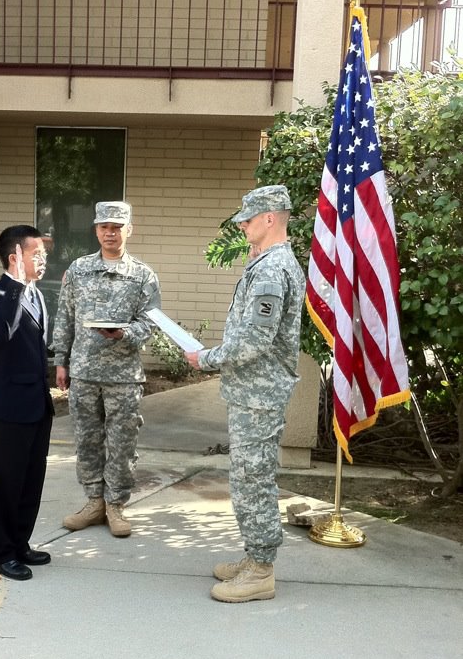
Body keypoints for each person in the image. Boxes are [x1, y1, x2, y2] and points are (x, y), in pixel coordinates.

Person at [185, 184, 305, 603]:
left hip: (260, 393)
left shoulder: (273, 269)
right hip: (253, 391)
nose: (242, 224)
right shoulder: (268, 263)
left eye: (249, 218)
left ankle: (261, 570)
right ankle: (255, 556)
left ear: (270, 218)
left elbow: (255, 339)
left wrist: (206, 358)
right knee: (249, 476)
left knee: (253, 479)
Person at [53, 201, 161, 538]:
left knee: (122, 442)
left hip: (124, 376)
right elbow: (65, 316)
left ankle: (116, 504)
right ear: (96, 230)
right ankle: (93, 501)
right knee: (86, 440)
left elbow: (151, 321)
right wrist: (61, 361)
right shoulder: (79, 269)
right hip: (84, 370)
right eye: (104, 227)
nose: (110, 233)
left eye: (117, 227)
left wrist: (125, 333)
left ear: (129, 229)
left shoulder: (143, 274)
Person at [0, 226, 54, 581]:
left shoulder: (36, 295)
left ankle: (19, 542)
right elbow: (2, 333)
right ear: (15, 257)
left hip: (37, 404)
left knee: (30, 480)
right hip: (10, 407)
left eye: (44, 253)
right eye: (36, 253)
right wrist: (15, 283)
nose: (43, 260)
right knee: (7, 481)